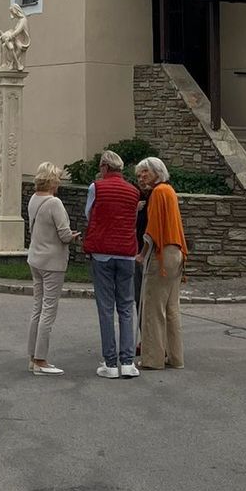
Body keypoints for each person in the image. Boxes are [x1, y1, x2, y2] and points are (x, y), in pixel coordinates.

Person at [82, 149, 141, 379]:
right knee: (126, 306)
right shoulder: (133, 191)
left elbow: (90, 214)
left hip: (102, 252)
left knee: (106, 308)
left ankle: (110, 362)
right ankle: (127, 362)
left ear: (105, 167)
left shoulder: (96, 187)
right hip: (126, 252)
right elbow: (132, 219)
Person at [135, 158, 188, 371]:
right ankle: (176, 357)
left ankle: (153, 358)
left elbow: (153, 229)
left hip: (161, 254)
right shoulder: (170, 191)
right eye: (139, 175)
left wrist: (142, 254)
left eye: (145, 173)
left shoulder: (158, 193)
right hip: (176, 253)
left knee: (153, 309)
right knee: (172, 308)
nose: (141, 177)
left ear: (157, 172)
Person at [26, 163, 77, 376]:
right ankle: (41, 359)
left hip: (36, 258)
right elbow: (64, 235)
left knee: (37, 308)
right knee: (49, 309)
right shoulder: (54, 203)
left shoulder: (33, 199)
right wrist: (73, 236)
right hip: (53, 262)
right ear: (53, 181)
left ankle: (32, 355)